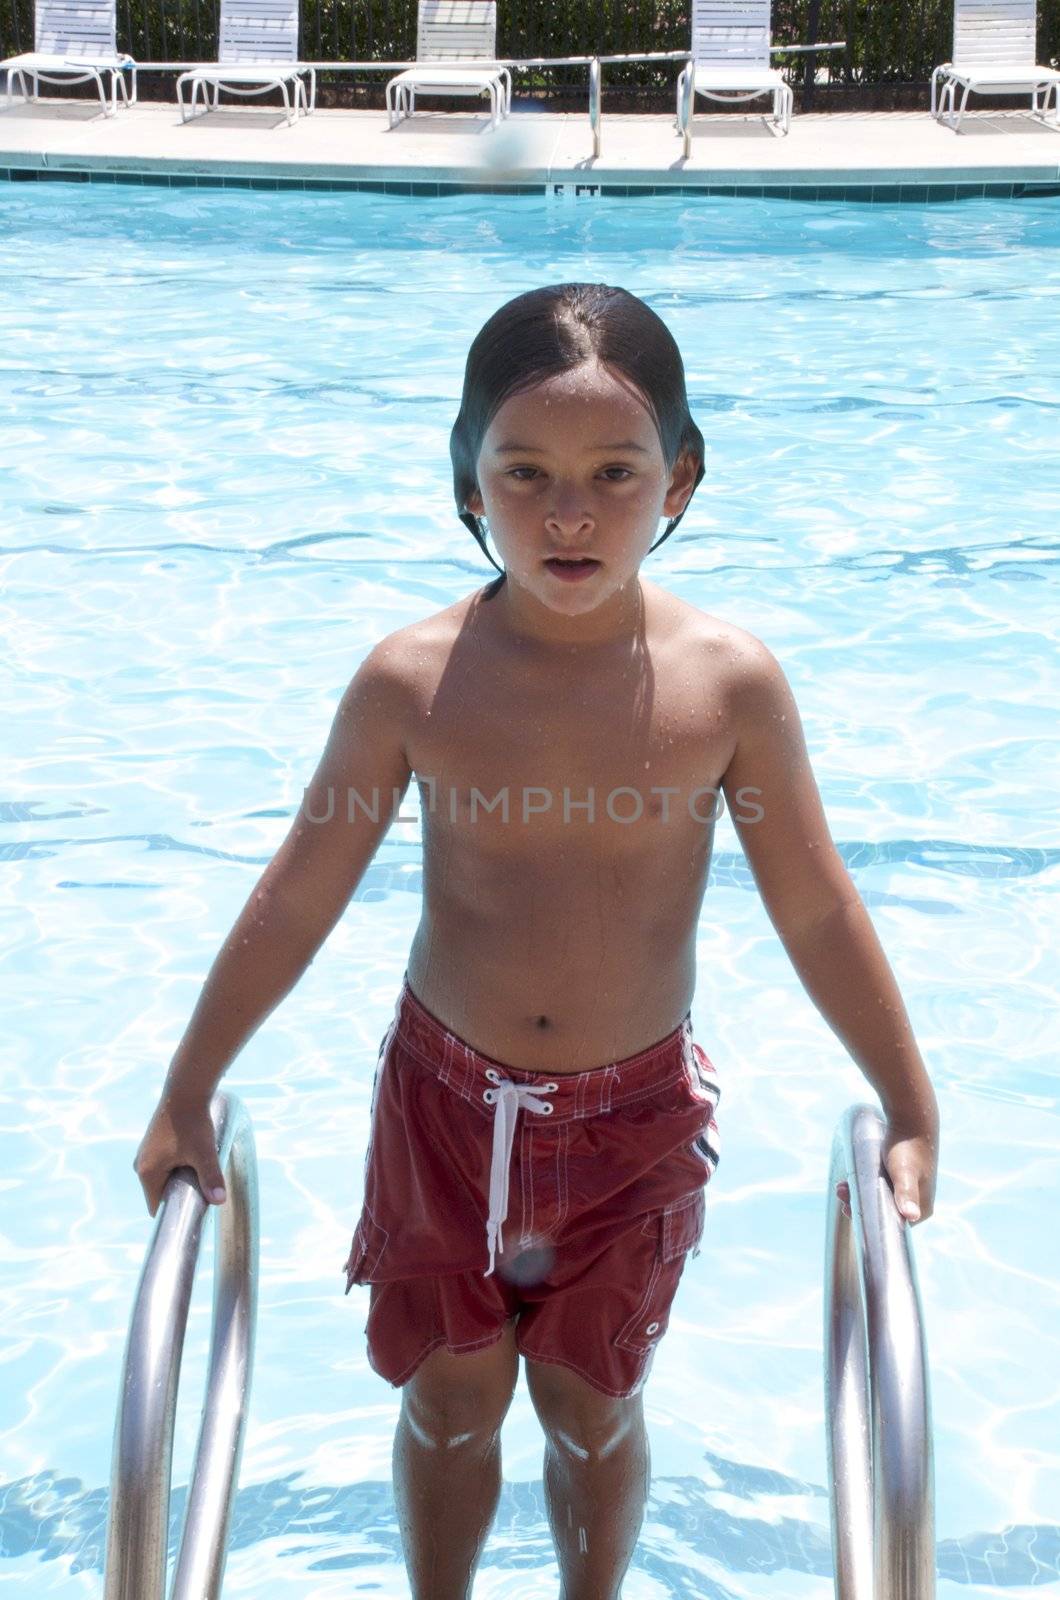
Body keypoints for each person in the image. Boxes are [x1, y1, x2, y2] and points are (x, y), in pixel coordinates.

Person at [134, 283, 940, 1600]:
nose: (570, 512)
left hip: (631, 1123)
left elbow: (814, 903)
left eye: (614, 473)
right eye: (527, 473)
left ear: (679, 478)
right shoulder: (415, 682)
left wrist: (909, 1103)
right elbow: (302, 889)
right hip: (443, 1108)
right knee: (449, 1406)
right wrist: (186, 1086)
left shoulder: (726, 685)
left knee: (590, 1412)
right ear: (469, 485)